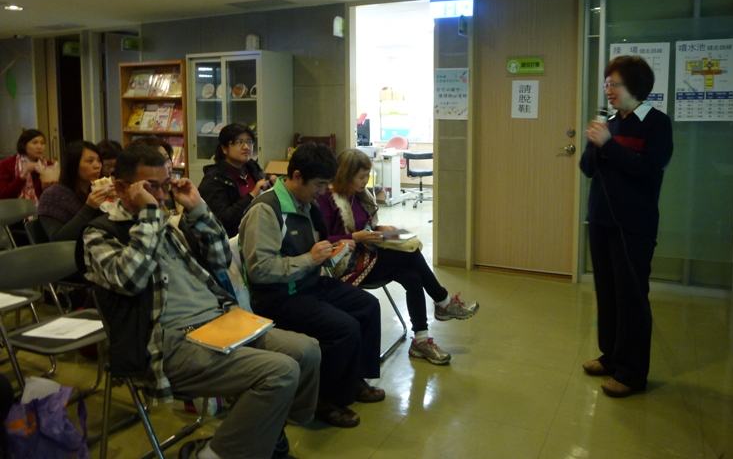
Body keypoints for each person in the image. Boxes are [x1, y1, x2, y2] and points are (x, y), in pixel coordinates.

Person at [82, 144, 321, 459]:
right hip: (170, 342)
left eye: (165, 185)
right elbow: (130, 279)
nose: (161, 196)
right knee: (280, 371)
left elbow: (221, 260)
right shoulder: (100, 234)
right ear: (122, 188)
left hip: (219, 322)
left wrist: (197, 209)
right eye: (150, 188)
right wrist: (150, 216)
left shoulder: (167, 225)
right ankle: (212, 455)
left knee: (306, 351)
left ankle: (268, 429)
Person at [239, 142, 383, 429]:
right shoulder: (266, 210)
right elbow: (260, 270)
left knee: (368, 305)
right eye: (318, 184)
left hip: (309, 283)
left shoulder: (307, 204)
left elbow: (317, 248)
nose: (323, 191)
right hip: (278, 296)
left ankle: (354, 379)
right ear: (296, 176)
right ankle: (322, 399)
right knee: (343, 328)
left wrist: (333, 252)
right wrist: (309, 259)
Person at [319, 148, 479, 365]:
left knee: (413, 276)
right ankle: (443, 301)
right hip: (346, 262)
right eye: (361, 176)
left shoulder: (359, 196)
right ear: (346, 176)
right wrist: (356, 236)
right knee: (410, 255)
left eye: (367, 175)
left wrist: (380, 229)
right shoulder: (327, 199)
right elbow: (323, 239)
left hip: (368, 252)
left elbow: (366, 226)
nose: (365, 181)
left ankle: (421, 339)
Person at [579, 55, 673, 399]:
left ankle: (632, 373)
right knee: (607, 292)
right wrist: (594, 143)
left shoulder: (656, 123)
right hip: (600, 219)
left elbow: (648, 169)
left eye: (614, 84)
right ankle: (611, 357)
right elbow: (588, 169)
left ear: (635, 85)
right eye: (606, 84)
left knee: (631, 297)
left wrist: (609, 145)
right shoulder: (610, 122)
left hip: (633, 225)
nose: (608, 90)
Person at [199, 123, 276, 238]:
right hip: (232, 239)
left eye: (249, 142)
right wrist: (252, 195)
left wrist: (271, 186)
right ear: (224, 148)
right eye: (239, 142)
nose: (246, 147)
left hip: (258, 232)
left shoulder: (253, 168)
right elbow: (221, 220)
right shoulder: (214, 179)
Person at [37, 140, 105, 242]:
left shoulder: (95, 189)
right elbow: (58, 239)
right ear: (73, 164)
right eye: (90, 161)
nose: (97, 165)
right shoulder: (51, 196)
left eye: (99, 160)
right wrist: (89, 208)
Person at [0, 129, 56, 205]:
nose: (39, 147)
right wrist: (23, 176)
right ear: (24, 145)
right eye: (35, 143)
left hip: (44, 207)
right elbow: (2, 195)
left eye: (42, 143)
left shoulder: (48, 165)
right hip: (17, 209)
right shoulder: (7, 164)